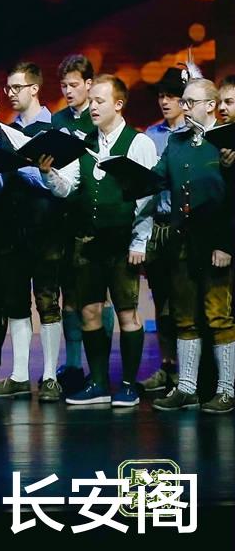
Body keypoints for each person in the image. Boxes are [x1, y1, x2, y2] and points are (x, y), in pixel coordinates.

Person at [0, 82, 76, 403]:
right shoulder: (7, 133)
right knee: (15, 303)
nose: (12, 93)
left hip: (46, 231)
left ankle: (50, 377)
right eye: (9, 88)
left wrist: (39, 170)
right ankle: (19, 376)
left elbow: (65, 185)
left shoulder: (56, 129)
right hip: (12, 234)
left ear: (34, 88)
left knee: (47, 302)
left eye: (17, 87)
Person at [62, 76, 160, 407]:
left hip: (121, 242)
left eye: (99, 101)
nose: (92, 106)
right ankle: (99, 383)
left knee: (127, 313)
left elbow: (148, 197)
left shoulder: (138, 142)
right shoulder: (84, 143)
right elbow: (68, 187)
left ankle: (129, 385)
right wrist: (48, 173)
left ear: (118, 105)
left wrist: (139, 242)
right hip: (90, 241)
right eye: (91, 100)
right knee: (89, 311)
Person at [151, 78, 234, 414]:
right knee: (184, 316)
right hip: (182, 241)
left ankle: (227, 389)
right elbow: (159, 177)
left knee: (219, 316)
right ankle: (186, 387)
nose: (183, 108)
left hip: (214, 243)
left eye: (190, 102)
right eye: (183, 102)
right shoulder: (177, 141)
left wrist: (225, 244)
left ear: (210, 105)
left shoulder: (226, 141)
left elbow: (232, 202)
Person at [138, 68, 189, 394]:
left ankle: (190, 372)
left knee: (184, 301)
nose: (165, 101)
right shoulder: (151, 134)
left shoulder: (194, 133)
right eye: (161, 96)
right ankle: (167, 365)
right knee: (162, 300)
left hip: (184, 224)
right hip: (157, 224)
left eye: (171, 96)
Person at [51, 53, 97, 388]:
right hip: (63, 219)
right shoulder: (58, 119)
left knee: (94, 295)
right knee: (68, 294)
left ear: (89, 84)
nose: (68, 91)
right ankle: (73, 363)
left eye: (74, 84)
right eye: (64, 85)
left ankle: (98, 365)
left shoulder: (99, 119)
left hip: (92, 219)